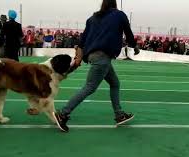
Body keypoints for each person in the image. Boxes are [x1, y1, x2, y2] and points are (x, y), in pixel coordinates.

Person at [54, 0, 140, 132]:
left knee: (115, 83)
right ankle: (63, 114)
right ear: (114, 4)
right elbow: (128, 34)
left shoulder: (92, 18)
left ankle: (119, 114)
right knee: (89, 87)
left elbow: (82, 42)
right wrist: (135, 47)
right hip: (102, 57)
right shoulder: (119, 15)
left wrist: (78, 59)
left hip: (95, 56)